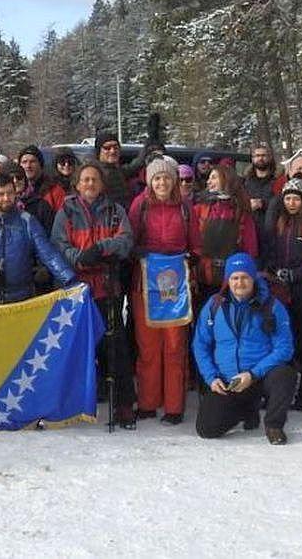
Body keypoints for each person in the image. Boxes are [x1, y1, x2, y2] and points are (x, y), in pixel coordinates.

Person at [50, 163, 136, 427]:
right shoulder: (65, 211)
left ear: (101, 184)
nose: (89, 184)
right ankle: (70, 403)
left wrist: (100, 248)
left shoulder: (114, 210)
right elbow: (59, 246)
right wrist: (81, 259)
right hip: (77, 292)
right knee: (76, 349)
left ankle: (124, 405)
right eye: (85, 179)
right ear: (77, 183)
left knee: (116, 350)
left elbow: (125, 241)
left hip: (107, 289)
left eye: (94, 180)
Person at [193, 253, 297, 442]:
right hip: (228, 381)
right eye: (234, 278)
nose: (239, 283)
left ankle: (274, 425)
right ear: (228, 280)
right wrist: (211, 377)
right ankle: (246, 409)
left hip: (260, 376)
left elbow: (285, 348)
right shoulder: (214, 305)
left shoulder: (272, 306)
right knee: (206, 429)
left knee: (286, 374)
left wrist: (253, 374)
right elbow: (200, 344)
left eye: (244, 277)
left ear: (253, 278)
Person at [127, 157, 194, 425]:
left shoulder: (185, 208)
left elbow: (196, 242)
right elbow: (128, 239)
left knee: (175, 344)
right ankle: (147, 401)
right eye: (157, 178)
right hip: (145, 282)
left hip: (177, 284)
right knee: (148, 345)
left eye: (167, 178)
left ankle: (175, 406)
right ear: (149, 181)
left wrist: (193, 258)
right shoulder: (140, 206)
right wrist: (138, 251)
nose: (162, 182)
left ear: (174, 180)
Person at [0, 173, 78, 306]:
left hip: (21, 299)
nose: (6, 198)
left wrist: (69, 279)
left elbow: (49, 254)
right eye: (0, 194)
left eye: (10, 193)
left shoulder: (28, 221)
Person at [262, 177, 302, 410]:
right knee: (283, 341)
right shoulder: (279, 222)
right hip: (280, 290)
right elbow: (270, 250)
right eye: (287, 198)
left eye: (295, 198)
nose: (291, 203)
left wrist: (296, 274)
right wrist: (271, 269)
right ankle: (280, 390)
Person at [191, 165, 257, 308]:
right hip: (202, 278)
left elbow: (250, 249)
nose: (209, 181)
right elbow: (192, 243)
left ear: (226, 179)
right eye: (208, 178)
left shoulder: (241, 213)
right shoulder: (199, 209)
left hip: (232, 280)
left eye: (213, 177)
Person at [17, 146, 66, 230]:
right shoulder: (15, 190)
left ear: (40, 165)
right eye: (24, 162)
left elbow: (63, 221)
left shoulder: (54, 190)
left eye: (32, 162)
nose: (28, 166)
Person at [241, 144, 282, 235]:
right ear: (252, 159)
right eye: (257, 156)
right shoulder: (246, 181)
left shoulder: (278, 179)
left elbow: (283, 202)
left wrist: (262, 204)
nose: (260, 158)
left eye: (264, 155)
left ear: (270, 157)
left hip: (272, 229)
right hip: (250, 229)